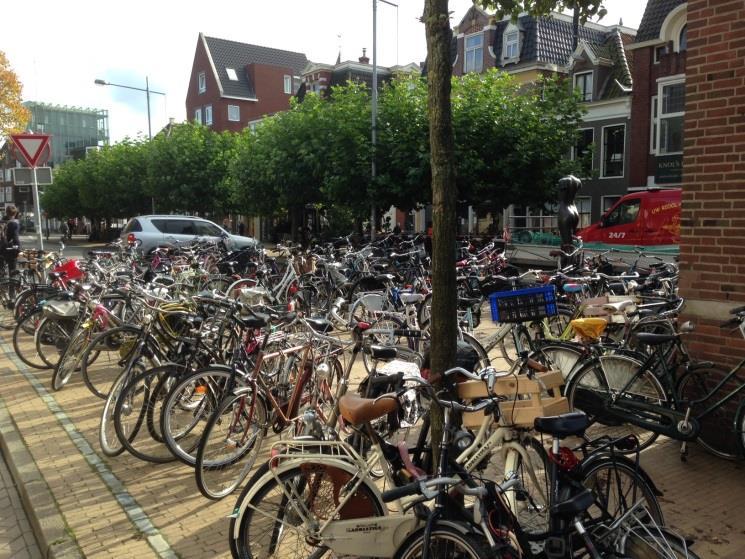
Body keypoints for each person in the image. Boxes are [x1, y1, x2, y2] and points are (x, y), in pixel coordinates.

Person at [0, 206, 21, 302]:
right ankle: (12, 295)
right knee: (12, 272)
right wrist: (18, 249)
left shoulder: (1, 221)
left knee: (1, 271)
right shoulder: (14, 223)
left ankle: (1, 292)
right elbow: (15, 238)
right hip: (10, 250)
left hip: (1, 249)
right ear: (15, 213)